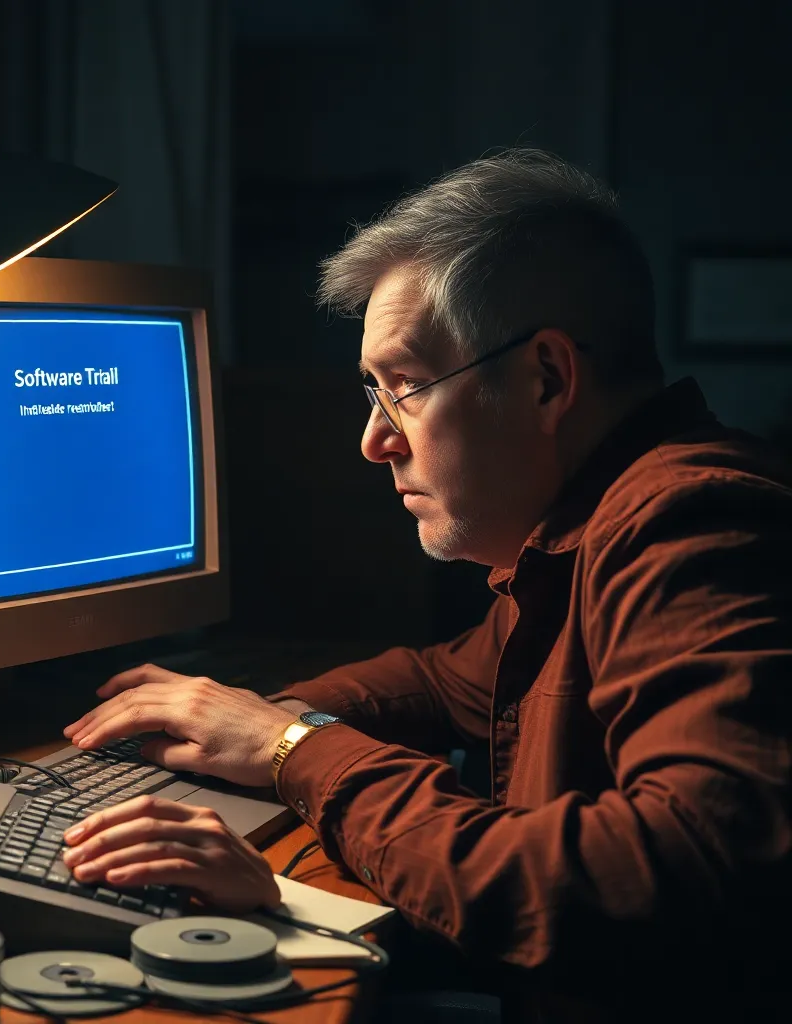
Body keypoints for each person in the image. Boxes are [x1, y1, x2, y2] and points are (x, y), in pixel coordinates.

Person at [60, 149, 792, 1021]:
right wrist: (246, 721)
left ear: (547, 378)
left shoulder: (691, 521)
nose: (375, 440)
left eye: (404, 386)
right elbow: (444, 681)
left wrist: (296, 750)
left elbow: (668, 876)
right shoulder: (585, 530)